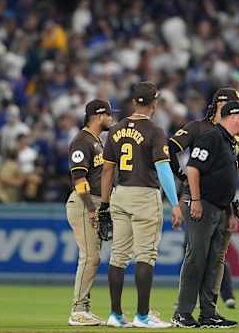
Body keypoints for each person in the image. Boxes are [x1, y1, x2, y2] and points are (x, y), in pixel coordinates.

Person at [99, 82, 183, 328]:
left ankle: (115, 315)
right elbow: (163, 168)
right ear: (154, 103)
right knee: (145, 255)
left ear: (134, 102)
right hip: (144, 194)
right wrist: (175, 204)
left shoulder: (115, 130)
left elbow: (106, 170)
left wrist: (105, 204)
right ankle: (143, 316)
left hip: (120, 193)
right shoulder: (155, 131)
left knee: (118, 256)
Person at [172, 100, 239, 328]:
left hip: (220, 208)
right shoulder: (212, 137)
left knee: (214, 261)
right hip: (202, 205)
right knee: (197, 258)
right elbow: (193, 168)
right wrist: (195, 200)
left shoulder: (229, 142)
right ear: (233, 117)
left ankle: (208, 313)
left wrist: (231, 212)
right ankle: (182, 313)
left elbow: (225, 180)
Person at [66, 99, 114, 326]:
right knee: (90, 257)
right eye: (109, 114)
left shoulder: (96, 141)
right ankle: (77, 310)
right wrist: (92, 208)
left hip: (93, 203)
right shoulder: (81, 141)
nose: (112, 118)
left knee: (92, 258)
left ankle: (83, 308)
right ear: (98, 116)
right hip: (84, 203)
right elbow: (79, 179)